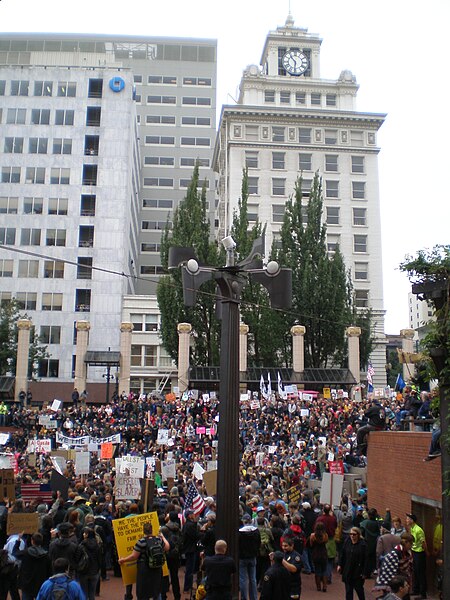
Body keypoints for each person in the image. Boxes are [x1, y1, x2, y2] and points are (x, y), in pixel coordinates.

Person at [118, 521, 169, 600]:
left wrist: (123, 560)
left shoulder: (141, 542)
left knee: (143, 592)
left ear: (143, 530)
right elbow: (167, 547)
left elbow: (134, 556)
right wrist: (162, 537)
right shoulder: (158, 540)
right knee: (157, 590)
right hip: (157, 569)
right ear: (152, 530)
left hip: (145, 570)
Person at [15, 532, 52, 600]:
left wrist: (18, 539)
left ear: (32, 540)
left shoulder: (25, 553)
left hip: (26, 584)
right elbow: (50, 572)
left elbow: (15, 553)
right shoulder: (46, 556)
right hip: (41, 584)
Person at [337, 527, 368, 600]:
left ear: (358, 535)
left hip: (357, 571)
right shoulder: (347, 541)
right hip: (348, 570)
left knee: (359, 590)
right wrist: (340, 564)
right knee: (348, 591)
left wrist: (364, 572)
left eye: (354, 534)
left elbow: (366, 559)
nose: (352, 536)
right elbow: (343, 554)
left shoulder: (363, 545)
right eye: (350, 534)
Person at [238, 512, 261, 600]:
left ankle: (244, 598)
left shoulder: (240, 532)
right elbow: (259, 543)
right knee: (253, 579)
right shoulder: (256, 531)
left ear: (243, 521)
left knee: (243, 579)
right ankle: (254, 598)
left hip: (242, 557)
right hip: (252, 556)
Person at [75, 527, 102, 600]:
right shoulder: (98, 545)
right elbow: (100, 558)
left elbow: (77, 558)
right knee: (92, 593)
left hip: (84, 571)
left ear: (87, 535)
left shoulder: (81, 545)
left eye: (85, 533)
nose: (83, 534)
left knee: (84, 593)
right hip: (95, 571)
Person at [405, 513, 427, 598]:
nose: (406, 520)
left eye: (407, 519)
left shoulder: (418, 530)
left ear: (412, 520)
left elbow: (423, 542)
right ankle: (416, 590)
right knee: (415, 572)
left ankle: (423, 593)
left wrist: (426, 552)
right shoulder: (412, 528)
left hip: (419, 553)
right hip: (414, 552)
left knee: (420, 573)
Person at [181, 509, 200, 597]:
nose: (194, 514)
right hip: (191, 549)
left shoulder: (186, 524)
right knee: (190, 569)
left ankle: (188, 586)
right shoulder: (190, 525)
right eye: (192, 513)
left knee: (190, 568)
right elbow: (195, 536)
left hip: (188, 548)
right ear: (189, 515)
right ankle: (186, 587)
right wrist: (202, 532)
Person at [308, 521, 328, 592]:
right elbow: (326, 542)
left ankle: (318, 586)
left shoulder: (313, 536)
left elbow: (310, 545)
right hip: (323, 554)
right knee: (324, 570)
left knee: (317, 571)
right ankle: (325, 586)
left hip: (316, 554)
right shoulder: (325, 535)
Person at [281, 534, 302, 600]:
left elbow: (294, 569)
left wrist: (282, 560)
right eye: (282, 546)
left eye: (286, 546)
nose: (283, 547)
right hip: (284, 585)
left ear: (292, 545)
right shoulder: (283, 554)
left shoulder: (296, 556)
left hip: (294, 586)